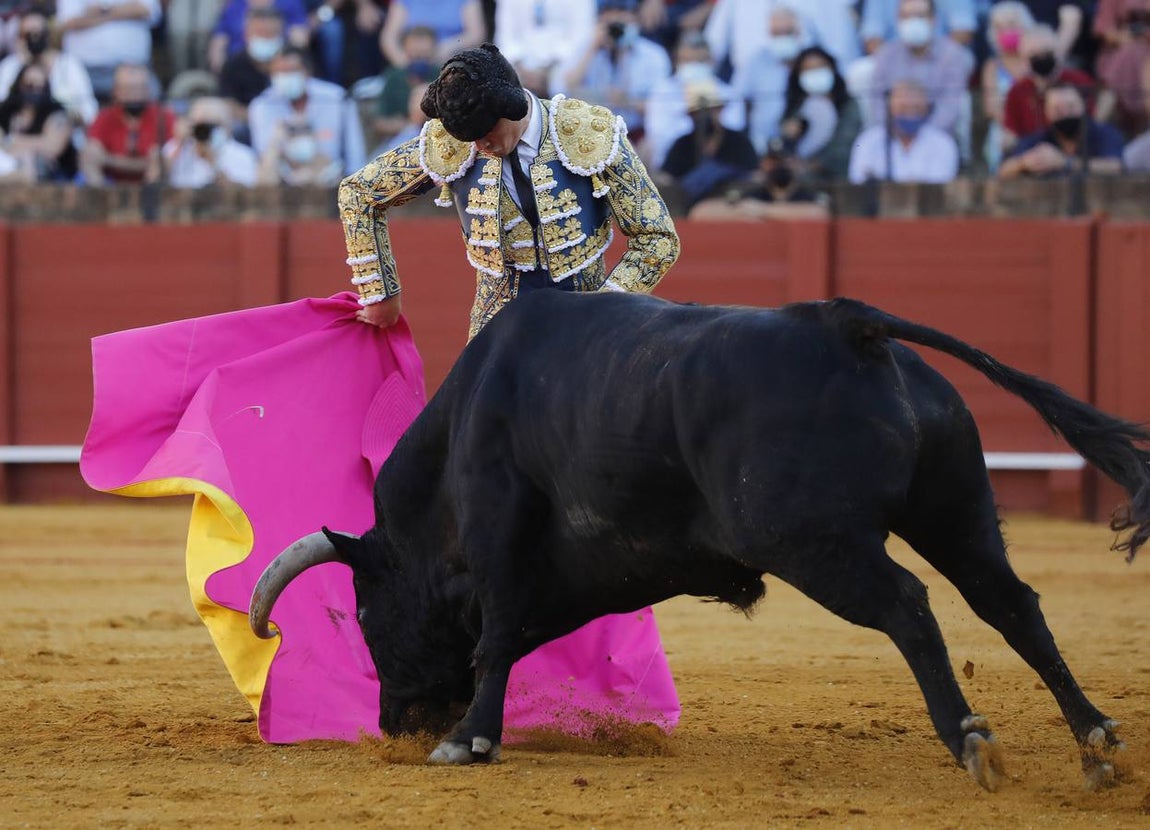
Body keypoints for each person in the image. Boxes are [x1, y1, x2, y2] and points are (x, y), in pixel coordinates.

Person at [338, 40, 679, 339]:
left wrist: (608, 306)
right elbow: (359, 192)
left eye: (487, 131)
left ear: (511, 105)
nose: (480, 145)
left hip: (588, 314)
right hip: (496, 327)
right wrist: (379, 293)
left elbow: (658, 238)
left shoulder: (590, 131)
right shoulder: (454, 141)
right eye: (469, 138)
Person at [560, 0, 672, 137]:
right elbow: (564, 88)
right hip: (591, 132)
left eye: (622, 18)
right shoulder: (586, 48)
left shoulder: (654, 55)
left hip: (635, 133)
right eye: (611, 21)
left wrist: (628, 102)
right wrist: (593, 47)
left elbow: (663, 106)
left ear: (636, 19)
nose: (616, 24)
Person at [247, 46, 365, 176]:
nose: (285, 77)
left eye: (291, 70)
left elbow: (355, 153)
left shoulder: (337, 99)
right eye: (279, 72)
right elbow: (262, 156)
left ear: (307, 72)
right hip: (282, 179)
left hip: (331, 176)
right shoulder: (261, 105)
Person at [868, 0, 975, 139]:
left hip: (935, 136)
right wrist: (895, 134)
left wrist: (922, 138)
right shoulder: (887, 54)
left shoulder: (951, 54)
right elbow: (877, 102)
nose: (913, 22)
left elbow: (949, 107)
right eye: (907, 16)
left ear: (933, 20)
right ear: (898, 20)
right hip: (892, 135)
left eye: (920, 16)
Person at [643, 30, 744, 169]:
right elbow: (659, 133)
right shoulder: (663, 90)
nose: (694, 66)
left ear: (711, 61)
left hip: (719, 162)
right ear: (677, 61)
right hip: (674, 163)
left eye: (700, 61)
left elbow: (734, 129)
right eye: (688, 61)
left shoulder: (728, 93)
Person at [660, 75, 758, 208]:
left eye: (710, 111)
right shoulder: (682, 144)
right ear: (691, 116)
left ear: (719, 110)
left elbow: (753, 174)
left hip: (729, 205)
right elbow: (667, 177)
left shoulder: (738, 141)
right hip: (687, 206)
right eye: (698, 112)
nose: (704, 117)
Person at [729, 3, 812, 154]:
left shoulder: (811, 59)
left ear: (798, 32)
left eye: (787, 32)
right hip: (762, 144)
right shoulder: (756, 61)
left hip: (804, 144)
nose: (782, 38)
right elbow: (739, 100)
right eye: (776, 33)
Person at [1001, 24, 1096, 154]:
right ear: (1024, 60)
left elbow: (1092, 123)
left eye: (1047, 52)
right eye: (1034, 55)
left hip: (1079, 152)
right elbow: (1011, 133)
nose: (1042, 58)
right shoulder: (1017, 91)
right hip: (1034, 156)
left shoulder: (1080, 81)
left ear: (1059, 53)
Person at [998, 82, 1125, 177]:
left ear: (1083, 106)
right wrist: (1024, 163)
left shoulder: (1103, 133)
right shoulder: (1042, 138)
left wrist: (1065, 163)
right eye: (1057, 110)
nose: (1065, 114)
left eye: (1071, 107)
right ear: (1047, 112)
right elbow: (1003, 170)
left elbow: (1116, 166)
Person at [848, 77, 960, 183]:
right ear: (890, 108)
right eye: (903, 108)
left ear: (926, 109)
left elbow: (939, 186)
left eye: (916, 108)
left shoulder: (942, 143)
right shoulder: (868, 141)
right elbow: (859, 180)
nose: (910, 114)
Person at [0, 7, 98, 127]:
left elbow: (90, 110)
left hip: (64, 136)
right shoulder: (10, 67)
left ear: (48, 35)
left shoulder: (68, 64)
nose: (34, 39)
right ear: (20, 38)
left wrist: (68, 116)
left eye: (38, 33)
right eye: (27, 35)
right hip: (18, 136)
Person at [80, 63, 176, 185]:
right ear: (116, 91)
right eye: (127, 89)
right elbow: (93, 152)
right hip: (111, 184)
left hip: (151, 185)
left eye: (138, 89)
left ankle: (148, 203)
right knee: (89, 153)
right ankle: (101, 201)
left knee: (160, 159)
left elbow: (167, 158)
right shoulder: (105, 116)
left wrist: (109, 160)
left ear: (148, 90)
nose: (133, 96)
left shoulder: (164, 116)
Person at [688, 137, 829, 220]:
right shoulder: (753, 194)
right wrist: (742, 209)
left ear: (796, 164)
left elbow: (820, 213)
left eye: (783, 161)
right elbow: (699, 212)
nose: (777, 166)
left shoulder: (807, 194)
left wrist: (763, 210)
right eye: (772, 161)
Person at [778, 45, 861, 183]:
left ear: (832, 69)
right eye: (808, 70)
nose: (815, 74)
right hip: (800, 180)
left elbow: (844, 147)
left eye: (820, 68)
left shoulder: (848, 105)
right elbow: (784, 148)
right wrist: (789, 136)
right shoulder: (796, 108)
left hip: (839, 179)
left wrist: (812, 165)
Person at [56, 0, 162, 102]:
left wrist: (102, 11)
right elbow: (68, 22)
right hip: (87, 72)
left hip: (135, 70)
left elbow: (145, 10)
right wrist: (125, 11)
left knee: (155, 105)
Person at [493, 0, 596, 98]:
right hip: (520, 74)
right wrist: (520, 68)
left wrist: (548, 71)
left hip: (561, 74)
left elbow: (581, 37)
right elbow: (505, 37)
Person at [0, 63, 79, 181]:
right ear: (19, 85)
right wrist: (38, 143)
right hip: (10, 165)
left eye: (40, 87)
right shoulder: (6, 109)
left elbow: (52, 147)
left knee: (34, 160)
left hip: (56, 177)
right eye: (29, 86)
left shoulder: (56, 111)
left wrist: (13, 141)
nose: (35, 91)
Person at [981, 2, 1036, 171]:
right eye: (999, 27)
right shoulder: (992, 66)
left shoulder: (1035, 60)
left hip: (1036, 126)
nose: (1005, 31)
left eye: (1011, 24)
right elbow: (992, 107)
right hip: (1004, 130)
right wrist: (1014, 128)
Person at [163, 95, 258, 187]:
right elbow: (158, 179)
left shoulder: (243, 156)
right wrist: (179, 143)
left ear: (226, 127)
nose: (203, 132)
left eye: (209, 126)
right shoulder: (177, 148)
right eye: (198, 126)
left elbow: (242, 197)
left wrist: (213, 163)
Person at [371, 25, 440, 151]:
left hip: (436, 141)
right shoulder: (394, 77)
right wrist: (409, 125)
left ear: (433, 51)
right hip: (399, 142)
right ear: (405, 50)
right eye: (415, 54)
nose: (420, 59)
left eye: (425, 54)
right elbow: (380, 123)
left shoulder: (442, 75)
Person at [217, 6, 284, 132]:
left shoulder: (293, 63)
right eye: (261, 33)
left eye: (271, 34)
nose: (266, 38)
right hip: (248, 124)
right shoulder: (233, 65)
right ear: (247, 34)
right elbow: (228, 104)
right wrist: (262, 118)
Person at [379, 0, 486, 68]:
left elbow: (476, 35)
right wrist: (403, 63)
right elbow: (388, 37)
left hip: (453, 65)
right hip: (411, 64)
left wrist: (448, 47)